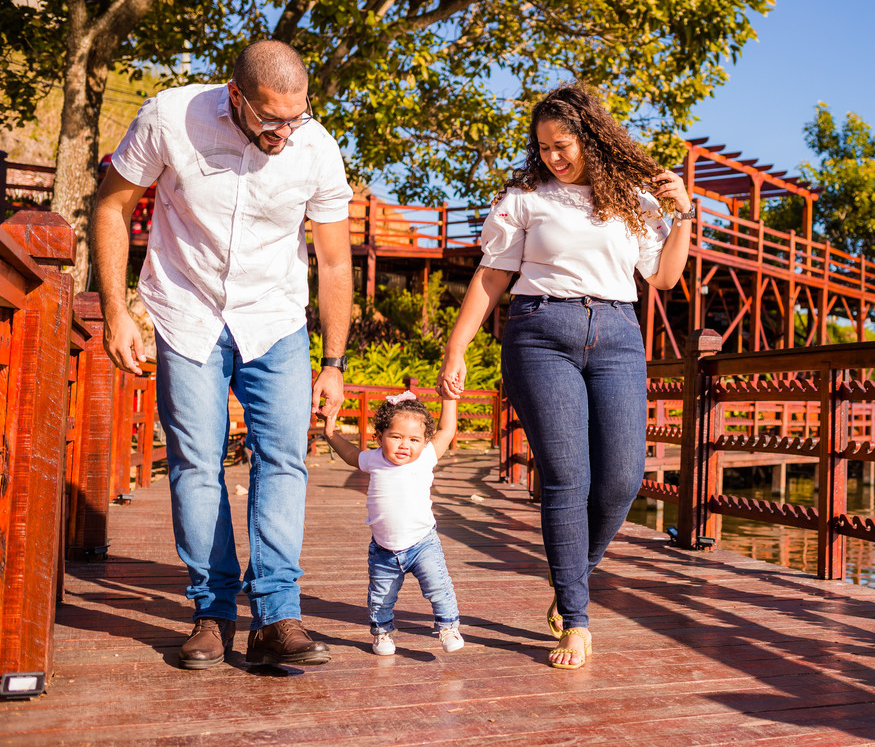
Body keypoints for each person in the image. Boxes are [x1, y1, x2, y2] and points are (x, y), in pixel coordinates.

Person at [91, 39, 353, 669]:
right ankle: (211, 612)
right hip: (187, 312)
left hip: (276, 319)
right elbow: (110, 204)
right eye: (271, 119)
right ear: (235, 96)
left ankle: (277, 615)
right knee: (195, 462)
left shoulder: (316, 147)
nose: (285, 132)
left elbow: (336, 259)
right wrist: (115, 310)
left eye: (297, 116)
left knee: (284, 460)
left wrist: (335, 362)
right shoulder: (168, 117)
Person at [437, 81, 694, 669]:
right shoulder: (524, 199)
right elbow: (492, 276)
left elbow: (665, 279)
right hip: (540, 332)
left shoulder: (633, 201)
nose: (554, 155)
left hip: (617, 336)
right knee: (567, 478)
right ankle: (575, 620)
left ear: (592, 137)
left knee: (623, 479)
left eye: (564, 143)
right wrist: (458, 347)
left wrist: (682, 214)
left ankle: (571, 577)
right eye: (545, 146)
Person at [323, 391, 465, 655]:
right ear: (379, 437)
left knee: (438, 587)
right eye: (396, 437)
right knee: (381, 596)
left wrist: (449, 397)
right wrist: (331, 434)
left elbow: (447, 429)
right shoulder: (374, 459)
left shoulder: (426, 457)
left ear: (424, 443)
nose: (404, 445)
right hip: (383, 549)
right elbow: (350, 453)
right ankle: (383, 633)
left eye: (413, 439)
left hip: (423, 544)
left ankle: (448, 627)